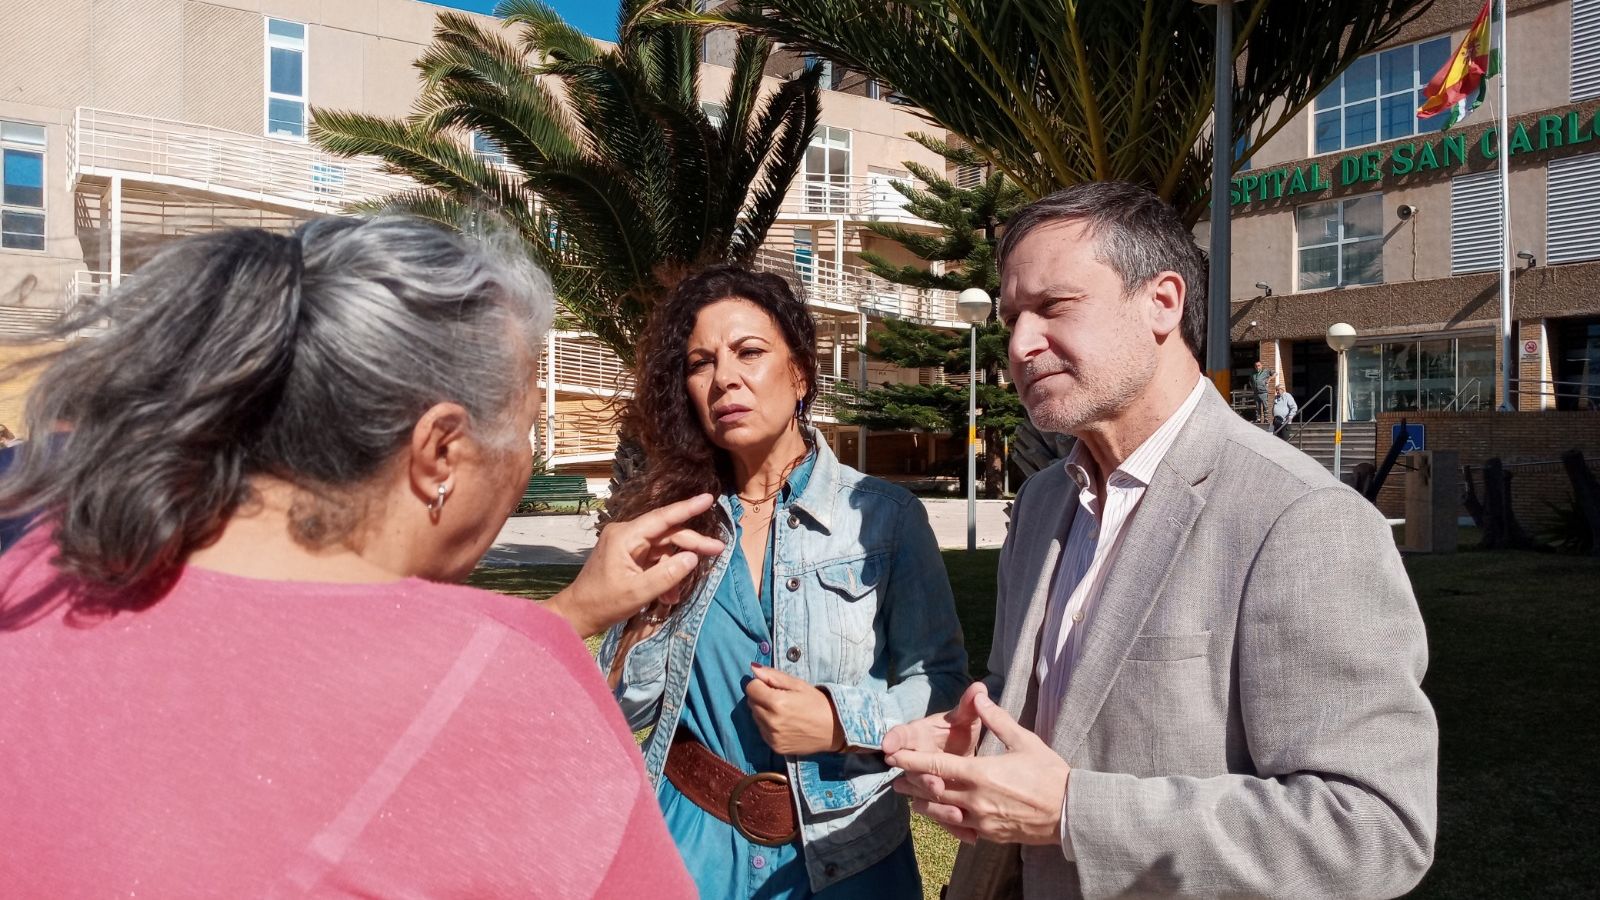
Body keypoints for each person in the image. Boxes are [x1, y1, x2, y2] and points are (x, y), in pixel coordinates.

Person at [0, 218, 724, 897]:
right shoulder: (517, 686)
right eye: (527, 425)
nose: (527, 460)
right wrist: (535, 645)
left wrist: (573, 613)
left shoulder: (38, 566)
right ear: (441, 451)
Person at [881, 183, 1437, 899]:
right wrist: (979, 749)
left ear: (1163, 303)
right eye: (1012, 317)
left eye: (1053, 307)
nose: (1019, 345)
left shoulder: (1300, 516)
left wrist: (1072, 813)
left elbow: (1372, 829)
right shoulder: (1048, 499)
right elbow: (1067, 721)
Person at [598, 265, 968, 898]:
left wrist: (838, 720)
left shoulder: (883, 519)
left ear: (799, 374)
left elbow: (942, 689)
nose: (725, 379)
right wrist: (653, 612)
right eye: (700, 363)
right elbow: (620, 706)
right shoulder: (674, 521)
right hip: (693, 853)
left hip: (848, 859)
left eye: (749, 352)